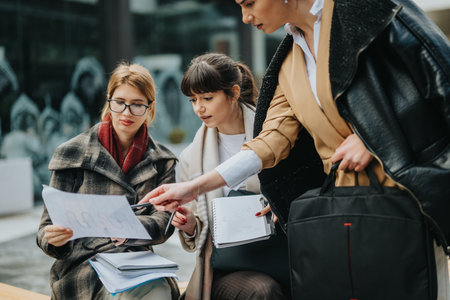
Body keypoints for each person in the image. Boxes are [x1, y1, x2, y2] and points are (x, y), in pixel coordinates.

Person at [142, 0, 450, 298]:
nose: (245, 17)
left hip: (402, 200)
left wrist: (373, 138)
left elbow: (440, 80)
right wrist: (193, 188)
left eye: (248, 3)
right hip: (339, 210)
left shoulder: (366, 8)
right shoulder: (289, 64)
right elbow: (269, 141)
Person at [36, 62, 179, 300]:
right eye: (120, 102)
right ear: (109, 101)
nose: (126, 112)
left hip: (136, 262)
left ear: (150, 108)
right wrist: (53, 239)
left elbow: (165, 223)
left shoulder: (163, 160)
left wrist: (128, 230)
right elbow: (45, 227)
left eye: (137, 105)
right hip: (83, 264)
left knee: (156, 293)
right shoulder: (71, 153)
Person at [172, 53, 288, 300]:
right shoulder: (191, 157)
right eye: (193, 100)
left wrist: (283, 204)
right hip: (228, 268)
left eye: (207, 98)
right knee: (263, 292)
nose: (199, 108)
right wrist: (190, 225)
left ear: (234, 93)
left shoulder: (274, 135)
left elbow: (301, 188)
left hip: (281, 254)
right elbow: (195, 236)